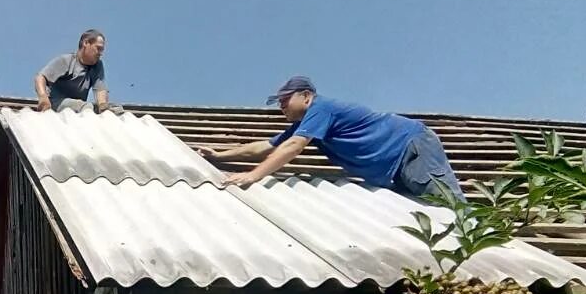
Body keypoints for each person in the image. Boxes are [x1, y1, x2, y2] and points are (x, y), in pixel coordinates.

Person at [196, 76, 465, 201]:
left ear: (306, 96)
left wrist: (253, 176)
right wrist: (219, 155)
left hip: (411, 147)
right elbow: (265, 147)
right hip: (394, 166)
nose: (281, 107)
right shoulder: (309, 124)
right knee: (425, 208)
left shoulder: (321, 108)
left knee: (448, 206)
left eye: (285, 100)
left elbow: (293, 146)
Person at [35, 30, 124, 114]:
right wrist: (43, 97)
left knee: (116, 109)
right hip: (56, 103)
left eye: (102, 50)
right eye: (98, 48)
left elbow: (100, 90)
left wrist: (103, 106)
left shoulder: (97, 66)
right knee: (86, 107)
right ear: (86, 43)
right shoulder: (66, 61)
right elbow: (40, 77)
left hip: (79, 106)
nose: (100, 53)